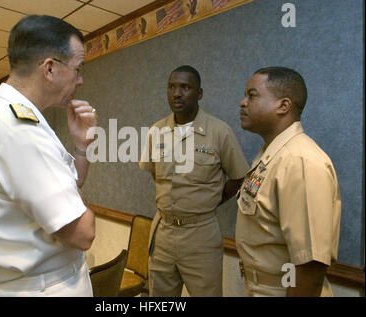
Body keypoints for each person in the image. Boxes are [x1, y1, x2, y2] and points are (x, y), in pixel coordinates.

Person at [0, 15, 97, 297]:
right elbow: (83, 232)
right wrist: (81, 206)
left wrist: (81, 144)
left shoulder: (7, 116)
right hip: (43, 288)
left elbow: (72, 184)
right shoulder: (19, 131)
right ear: (49, 69)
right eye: (78, 69)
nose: (80, 80)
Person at [139, 65, 249, 296]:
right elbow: (154, 173)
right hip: (163, 232)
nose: (177, 93)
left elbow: (239, 178)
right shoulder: (156, 131)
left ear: (199, 94)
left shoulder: (219, 131)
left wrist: (209, 200)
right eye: (172, 87)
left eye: (185, 87)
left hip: (200, 234)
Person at [236, 66, 342, 297]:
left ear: (283, 106)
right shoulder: (273, 154)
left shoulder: (300, 161)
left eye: (252, 95)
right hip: (260, 288)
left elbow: (310, 265)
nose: (242, 103)